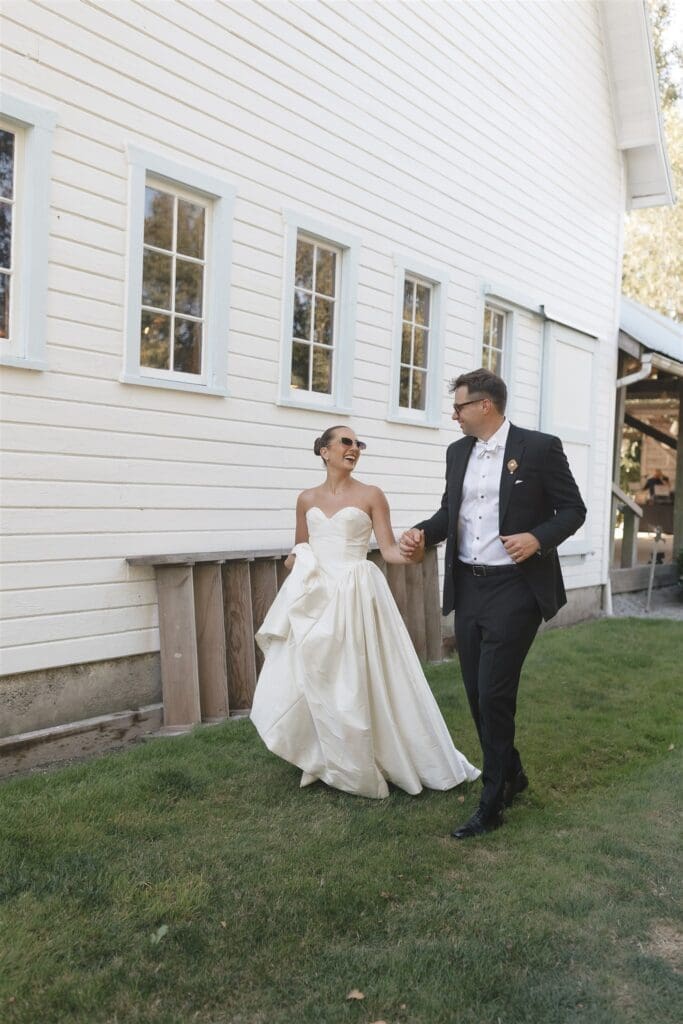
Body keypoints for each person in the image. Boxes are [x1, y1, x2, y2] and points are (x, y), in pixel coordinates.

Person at [399, 369, 586, 839]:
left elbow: (573, 509)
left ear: (485, 405)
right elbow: (450, 512)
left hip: (515, 590)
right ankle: (513, 774)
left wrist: (537, 538)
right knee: (478, 695)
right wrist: (423, 531)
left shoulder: (539, 448)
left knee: (495, 694)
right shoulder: (457, 451)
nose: (453, 415)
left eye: (459, 407)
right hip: (470, 589)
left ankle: (492, 802)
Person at [250, 425, 480, 799]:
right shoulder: (306, 499)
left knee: (356, 678)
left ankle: (367, 757)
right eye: (346, 442)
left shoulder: (372, 495)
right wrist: (296, 558)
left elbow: (388, 550)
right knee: (314, 675)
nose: (354, 448)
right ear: (324, 451)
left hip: (355, 591)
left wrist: (413, 549)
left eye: (358, 444)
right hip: (315, 596)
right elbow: (300, 544)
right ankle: (325, 758)